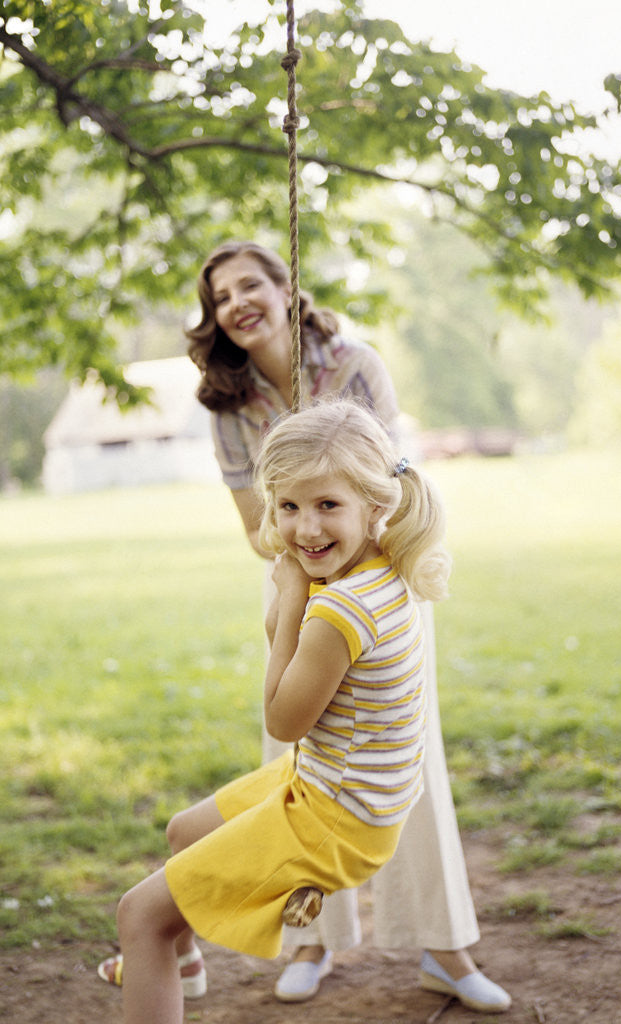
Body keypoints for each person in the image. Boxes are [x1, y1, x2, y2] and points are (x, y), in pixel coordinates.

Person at [187, 241, 511, 1012]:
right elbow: (257, 526)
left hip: (380, 578)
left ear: (285, 286)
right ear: (216, 318)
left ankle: (446, 948)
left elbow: (389, 486)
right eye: (221, 295)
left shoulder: (355, 363)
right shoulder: (228, 406)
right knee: (300, 760)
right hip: (301, 584)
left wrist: (345, 550)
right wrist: (298, 573)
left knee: (407, 762)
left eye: (251, 284)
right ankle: (309, 939)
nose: (237, 301)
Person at [101, 399, 450, 1023]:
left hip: (337, 815)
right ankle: (179, 966)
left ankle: (155, 951)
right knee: (184, 833)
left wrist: (287, 601)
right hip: (340, 786)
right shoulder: (386, 564)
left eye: (327, 505)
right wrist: (302, 594)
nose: (306, 530)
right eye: (288, 506)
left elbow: (283, 722)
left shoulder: (337, 611)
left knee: (140, 915)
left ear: (376, 504)